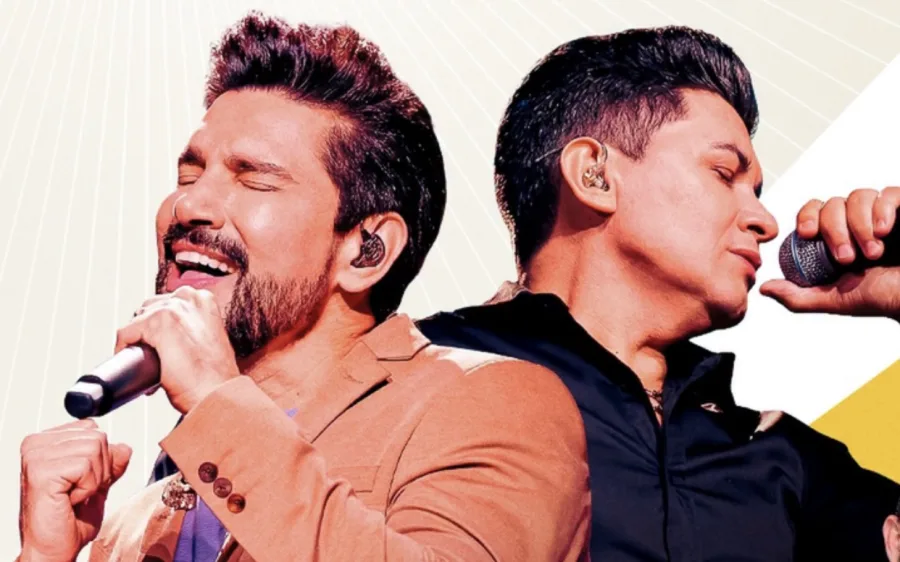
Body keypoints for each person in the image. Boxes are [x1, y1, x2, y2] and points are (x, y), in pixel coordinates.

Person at [16, 13, 592, 562]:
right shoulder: (138, 515)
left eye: (255, 181)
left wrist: (216, 407)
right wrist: (45, 554)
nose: (188, 205)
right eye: (189, 174)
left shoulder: (490, 402)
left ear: (366, 250)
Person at [416, 26, 900, 561]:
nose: (765, 220)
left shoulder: (785, 458)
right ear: (594, 175)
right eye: (724, 174)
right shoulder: (411, 374)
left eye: (756, 191)